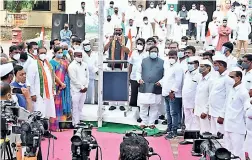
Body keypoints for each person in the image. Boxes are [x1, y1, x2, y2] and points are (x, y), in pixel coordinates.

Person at [136, 46, 164, 129]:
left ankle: (152, 123)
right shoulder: (143, 61)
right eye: (152, 51)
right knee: (143, 105)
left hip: (156, 86)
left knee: (154, 106)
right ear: (149, 52)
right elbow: (138, 72)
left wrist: (161, 82)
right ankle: (144, 122)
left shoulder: (163, 62)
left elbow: (166, 74)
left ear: (158, 52)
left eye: (155, 51)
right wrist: (139, 79)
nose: (153, 53)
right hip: (144, 86)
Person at [224, 70, 248, 160]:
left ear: (238, 78)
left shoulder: (243, 92)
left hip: (238, 127)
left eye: (232, 77)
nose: (229, 79)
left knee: (238, 153)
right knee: (227, 152)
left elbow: (247, 109)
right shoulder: (231, 89)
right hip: (228, 125)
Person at [27, 47, 56, 118]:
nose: (43, 54)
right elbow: (30, 81)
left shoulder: (48, 65)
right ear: (37, 54)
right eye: (41, 53)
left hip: (48, 93)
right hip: (38, 94)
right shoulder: (33, 65)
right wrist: (32, 94)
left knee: (48, 113)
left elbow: (52, 79)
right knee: (39, 112)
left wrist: (53, 92)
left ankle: (46, 127)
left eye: (44, 53)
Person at [209, 54, 233, 136]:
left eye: (215, 64)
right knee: (214, 135)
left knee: (221, 136)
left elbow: (229, 97)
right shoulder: (217, 76)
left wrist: (222, 114)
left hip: (220, 112)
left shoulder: (228, 78)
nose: (214, 65)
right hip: (213, 111)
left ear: (222, 65)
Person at [162, 50, 184, 139]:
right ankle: (169, 128)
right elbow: (166, 78)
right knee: (168, 112)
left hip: (173, 94)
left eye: (173, 57)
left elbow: (178, 81)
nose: (171, 58)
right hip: (166, 93)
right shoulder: (167, 66)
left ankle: (174, 131)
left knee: (173, 113)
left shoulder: (178, 67)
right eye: (170, 57)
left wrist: (172, 91)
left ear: (177, 57)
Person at [49, 46, 71, 132]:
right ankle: (55, 126)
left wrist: (65, 83)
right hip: (57, 86)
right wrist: (60, 83)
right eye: (58, 52)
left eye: (61, 52)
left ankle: (63, 125)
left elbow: (68, 72)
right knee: (56, 106)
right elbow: (53, 75)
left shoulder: (65, 62)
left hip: (65, 86)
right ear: (54, 53)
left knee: (64, 105)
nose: (60, 53)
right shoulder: (51, 62)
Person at [180, 56, 201, 144]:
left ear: (197, 64)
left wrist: (196, 103)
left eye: (191, 63)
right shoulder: (187, 73)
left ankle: (195, 139)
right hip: (186, 101)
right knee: (187, 120)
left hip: (194, 102)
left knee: (195, 121)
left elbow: (199, 90)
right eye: (188, 63)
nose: (189, 65)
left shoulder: (199, 75)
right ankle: (188, 138)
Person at [68, 49, 89, 126]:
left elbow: (87, 76)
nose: (79, 57)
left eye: (80, 56)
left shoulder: (85, 65)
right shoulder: (71, 66)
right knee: (75, 107)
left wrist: (86, 86)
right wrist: (81, 87)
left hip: (84, 89)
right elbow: (73, 79)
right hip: (75, 90)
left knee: (81, 106)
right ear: (74, 56)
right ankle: (75, 123)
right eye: (78, 56)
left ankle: (79, 121)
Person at [194, 60, 213, 135]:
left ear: (208, 68)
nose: (200, 68)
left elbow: (211, 97)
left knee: (205, 131)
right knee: (198, 130)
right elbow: (198, 95)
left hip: (204, 111)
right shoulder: (200, 79)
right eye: (200, 66)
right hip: (198, 109)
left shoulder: (211, 80)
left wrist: (206, 111)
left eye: (202, 66)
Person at [128, 38, 147, 107]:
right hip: (133, 76)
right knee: (133, 94)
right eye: (138, 44)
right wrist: (129, 75)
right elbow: (130, 65)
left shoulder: (146, 54)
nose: (139, 45)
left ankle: (142, 110)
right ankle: (133, 108)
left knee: (142, 95)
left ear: (144, 45)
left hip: (143, 78)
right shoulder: (133, 53)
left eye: (140, 44)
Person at [82, 40, 98, 104]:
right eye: (85, 45)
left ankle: (90, 103)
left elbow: (96, 64)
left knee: (91, 92)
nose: (87, 46)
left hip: (92, 76)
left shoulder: (94, 54)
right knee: (84, 93)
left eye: (88, 44)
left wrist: (95, 70)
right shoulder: (82, 54)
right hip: (84, 76)